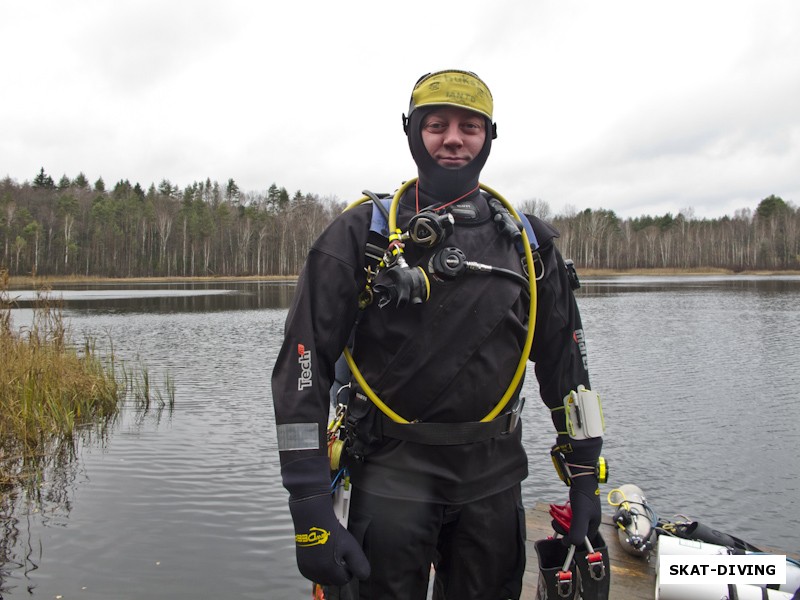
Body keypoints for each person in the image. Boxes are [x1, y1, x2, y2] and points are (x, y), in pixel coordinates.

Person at [272, 69, 604, 600]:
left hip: (493, 483)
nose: (453, 138)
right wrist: (309, 505)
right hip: (389, 480)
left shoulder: (528, 245)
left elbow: (568, 368)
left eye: (470, 126)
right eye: (437, 124)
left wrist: (586, 476)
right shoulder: (362, 236)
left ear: (489, 137)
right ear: (411, 132)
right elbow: (300, 373)